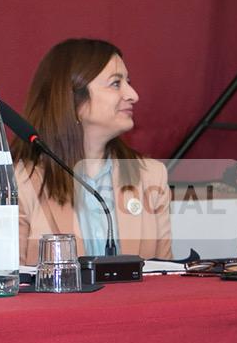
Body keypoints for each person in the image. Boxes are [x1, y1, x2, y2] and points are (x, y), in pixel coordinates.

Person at [13, 38, 172, 264]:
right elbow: (6, 283)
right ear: (73, 99)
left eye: (128, 82)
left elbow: (165, 277)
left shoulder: (151, 175)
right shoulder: (17, 181)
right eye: (116, 84)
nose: (133, 95)